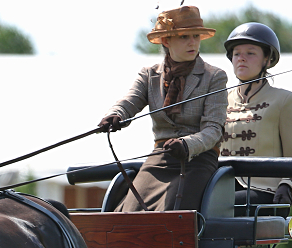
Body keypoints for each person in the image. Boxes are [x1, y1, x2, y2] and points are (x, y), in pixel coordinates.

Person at [98, 5, 228, 212]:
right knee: (128, 212)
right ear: (167, 41)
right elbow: (130, 100)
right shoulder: (149, 75)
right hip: (160, 158)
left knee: (173, 213)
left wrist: (187, 145)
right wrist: (115, 114)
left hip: (199, 159)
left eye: (196, 36)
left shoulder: (215, 76)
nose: (193, 42)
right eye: (184, 37)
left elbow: (214, 129)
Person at [220, 22, 292, 217]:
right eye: (237, 53)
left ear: (268, 59)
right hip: (219, 188)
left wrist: (289, 186)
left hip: (264, 193)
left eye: (250, 53)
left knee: (222, 207)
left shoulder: (284, 100)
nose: (241, 58)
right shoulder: (219, 100)